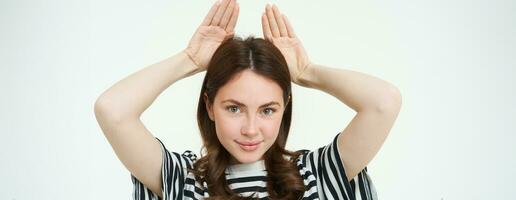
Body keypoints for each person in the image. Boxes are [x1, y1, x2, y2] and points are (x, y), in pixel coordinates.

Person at [94, 0, 402, 199]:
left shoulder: (318, 174)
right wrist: (189, 59)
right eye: (234, 108)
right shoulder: (181, 180)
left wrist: (307, 72)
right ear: (209, 106)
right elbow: (113, 110)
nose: (251, 129)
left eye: (268, 110)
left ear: (284, 108)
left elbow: (384, 102)